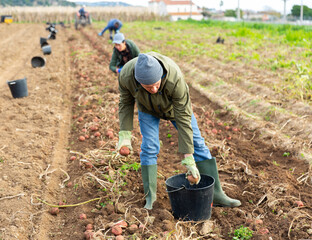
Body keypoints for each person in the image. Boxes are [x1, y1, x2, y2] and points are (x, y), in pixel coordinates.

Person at [117, 52, 241, 210]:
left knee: (197, 143)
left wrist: (188, 159)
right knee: (149, 147)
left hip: (176, 110)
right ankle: (151, 198)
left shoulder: (174, 78)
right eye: (148, 87)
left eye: (157, 84)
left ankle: (216, 194)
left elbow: (183, 118)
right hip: (147, 110)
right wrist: (125, 135)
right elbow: (125, 102)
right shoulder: (126, 76)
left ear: (161, 75)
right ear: (138, 81)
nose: (154, 89)